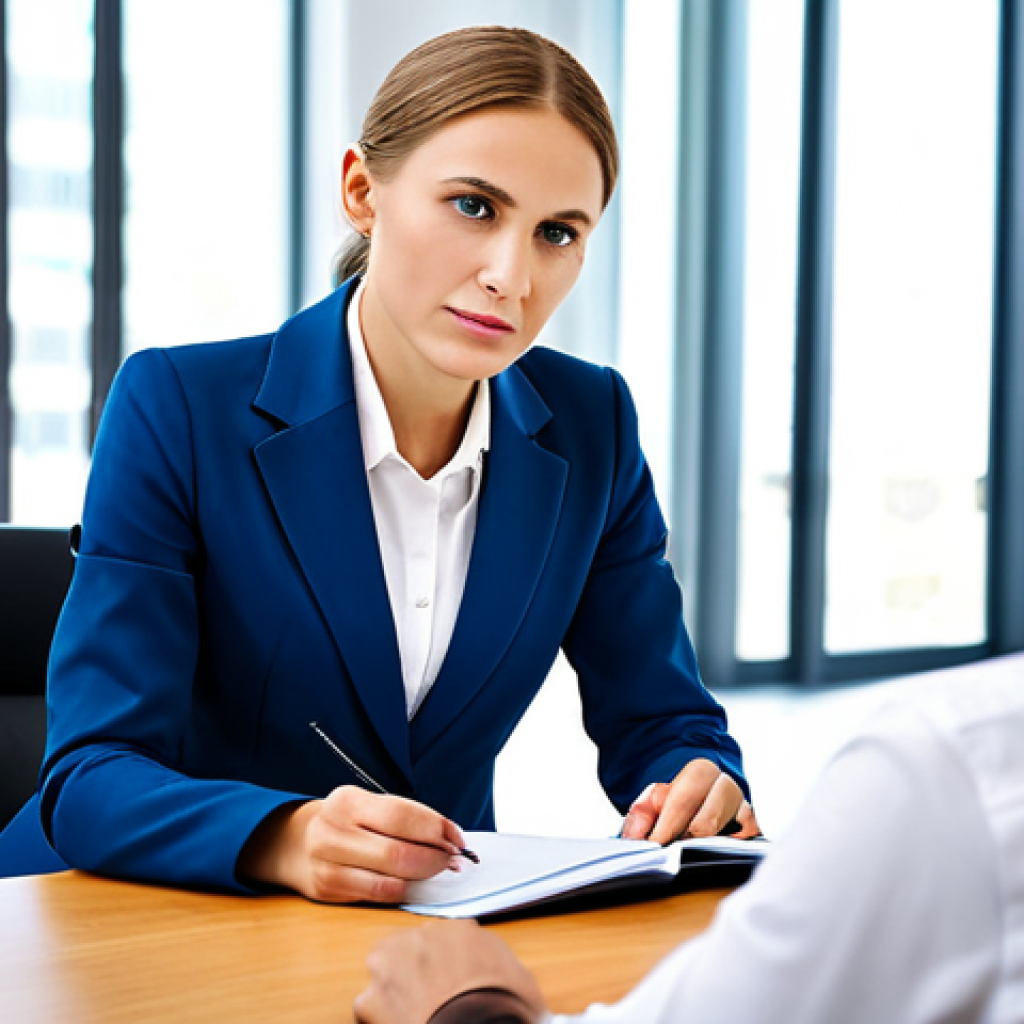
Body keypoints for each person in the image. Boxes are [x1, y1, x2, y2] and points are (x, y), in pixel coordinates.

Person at [2, 26, 758, 898]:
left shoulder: (594, 427)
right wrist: (283, 836)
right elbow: (90, 777)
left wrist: (696, 781)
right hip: (119, 918)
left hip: (415, 930)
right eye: (474, 205)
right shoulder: (177, 406)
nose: (510, 277)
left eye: (556, 232)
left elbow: (663, 720)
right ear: (363, 191)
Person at [353, 656, 1024, 1023]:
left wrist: (476, 1013)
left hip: (449, 927)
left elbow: (668, 715)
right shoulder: (956, 756)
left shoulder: (947, 767)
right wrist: (270, 830)